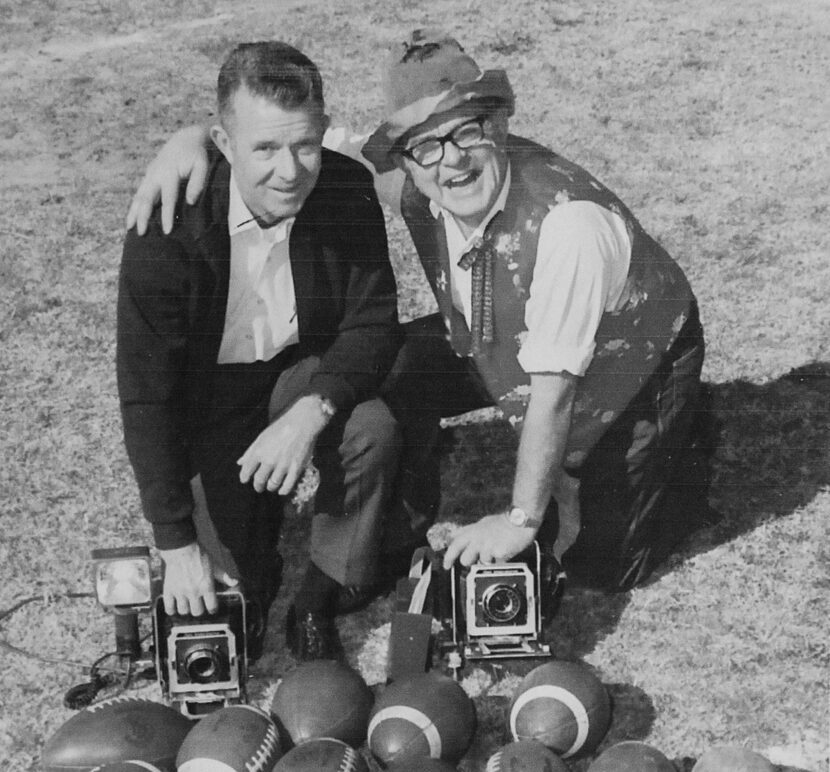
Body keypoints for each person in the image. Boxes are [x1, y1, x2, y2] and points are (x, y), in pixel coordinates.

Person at [128, 30, 715, 595]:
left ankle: (682, 440)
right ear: (404, 158)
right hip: (495, 337)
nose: (451, 162)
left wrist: (520, 518)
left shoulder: (569, 229)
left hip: (631, 364)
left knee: (599, 566)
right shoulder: (408, 176)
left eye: (469, 132)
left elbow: (554, 395)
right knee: (385, 370)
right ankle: (394, 522)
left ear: (500, 123)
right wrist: (190, 141)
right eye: (426, 145)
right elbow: (295, 141)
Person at [117, 41, 402, 663]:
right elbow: (147, 395)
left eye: (304, 144)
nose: (291, 169)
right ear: (222, 141)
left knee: (370, 429)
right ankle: (251, 548)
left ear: (324, 131)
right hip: (208, 404)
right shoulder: (167, 225)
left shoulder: (347, 187)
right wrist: (175, 543)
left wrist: (314, 411)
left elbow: (373, 322)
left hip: (296, 379)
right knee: (225, 607)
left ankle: (321, 593)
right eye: (265, 148)